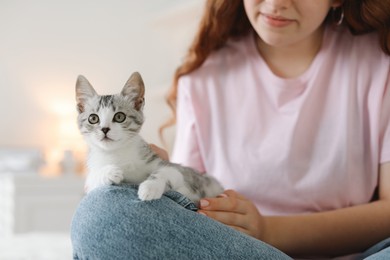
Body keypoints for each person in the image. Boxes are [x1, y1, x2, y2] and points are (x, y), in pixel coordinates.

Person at [71, 0, 390, 259]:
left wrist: (267, 231)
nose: (277, 3)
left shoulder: (379, 64)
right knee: (102, 214)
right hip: (233, 252)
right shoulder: (201, 78)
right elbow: (188, 214)